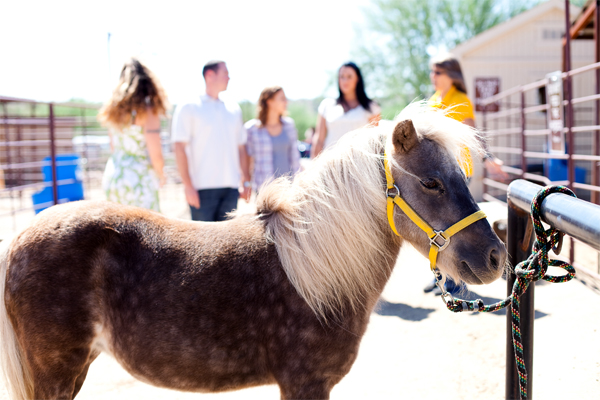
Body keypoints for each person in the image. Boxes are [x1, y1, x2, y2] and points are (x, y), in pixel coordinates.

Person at [425, 53, 507, 295]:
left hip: (457, 173)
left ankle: (455, 282)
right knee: (434, 227)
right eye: (432, 72)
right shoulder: (433, 100)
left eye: (438, 72)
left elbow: (472, 133)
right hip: (436, 174)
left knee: (454, 228)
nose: (433, 77)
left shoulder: (460, 100)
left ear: (452, 75)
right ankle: (439, 277)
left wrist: (488, 158)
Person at [171, 60, 251, 222]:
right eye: (225, 74)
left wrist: (245, 181)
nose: (229, 78)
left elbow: (241, 148)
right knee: (201, 244)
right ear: (209, 75)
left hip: (231, 188)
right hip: (201, 188)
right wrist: (188, 186)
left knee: (228, 244)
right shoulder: (189, 107)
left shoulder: (233, 109)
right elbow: (179, 147)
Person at [99, 58, 167, 212]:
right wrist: (161, 175)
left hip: (114, 175)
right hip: (139, 179)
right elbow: (155, 153)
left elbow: (113, 147)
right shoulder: (148, 112)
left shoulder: (113, 110)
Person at [311, 62, 381, 158]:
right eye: (342, 77)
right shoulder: (327, 105)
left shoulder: (371, 107)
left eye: (349, 76)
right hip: (330, 165)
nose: (345, 80)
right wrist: (313, 164)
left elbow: (375, 142)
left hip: (359, 165)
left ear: (357, 79)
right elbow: (319, 139)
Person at [243, 86, 301, 192]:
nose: (286, 102)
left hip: (288, 189)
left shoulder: (289, 125)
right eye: (282, 99)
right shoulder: (252, 129)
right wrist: (246, 183)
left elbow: (295, 158)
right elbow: (248, 159)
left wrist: (299, 182)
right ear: (269, 101)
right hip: (264, 189)